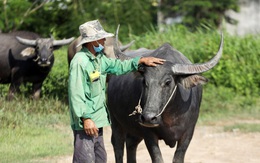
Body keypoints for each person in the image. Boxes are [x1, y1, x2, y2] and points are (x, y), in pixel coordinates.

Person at [68, 19, 165, 163]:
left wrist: (139, 61)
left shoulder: (99, 58)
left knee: (100, 159)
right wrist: (86, 118)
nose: (104, 40)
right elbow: (76, 94)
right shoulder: (80, 62)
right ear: (91, 41)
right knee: (85, 160)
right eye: (101, 38)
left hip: (97, 120)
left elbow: (117, 66)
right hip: (86, 123)